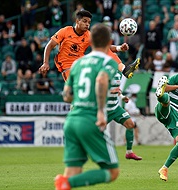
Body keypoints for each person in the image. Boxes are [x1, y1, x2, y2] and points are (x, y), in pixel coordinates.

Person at [54, 23, 119, 190]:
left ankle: (66, 183)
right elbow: (101, 80)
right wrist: (100, 112)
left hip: (72, 120)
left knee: (73, 169)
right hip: (89, 120)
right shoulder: (108, 62)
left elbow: (67, 96)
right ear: (109, 41)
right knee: (112, 172)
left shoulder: (77, 63)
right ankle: (66, 183)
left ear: (90, 40)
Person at [39, 10, 140, 81]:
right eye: (84, 21)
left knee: (103, 51)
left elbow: (104, 47)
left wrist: (119, 48)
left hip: (82, 64)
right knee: (77, 94)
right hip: (67, 66)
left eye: (89, 22)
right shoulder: (65, 31)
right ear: (77, 21)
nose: (87, 24)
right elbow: (50, 45)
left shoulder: (88, 35)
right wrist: (45, 63)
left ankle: (124, 69)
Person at [107, 71, 142, 160]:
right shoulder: (102, 72)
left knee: (130, 124)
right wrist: (110, 91)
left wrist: (122, 97)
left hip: (115, 107)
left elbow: (117, 91)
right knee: (94, 131)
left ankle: (129, 152)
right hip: (104, 109)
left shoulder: (118, 74)